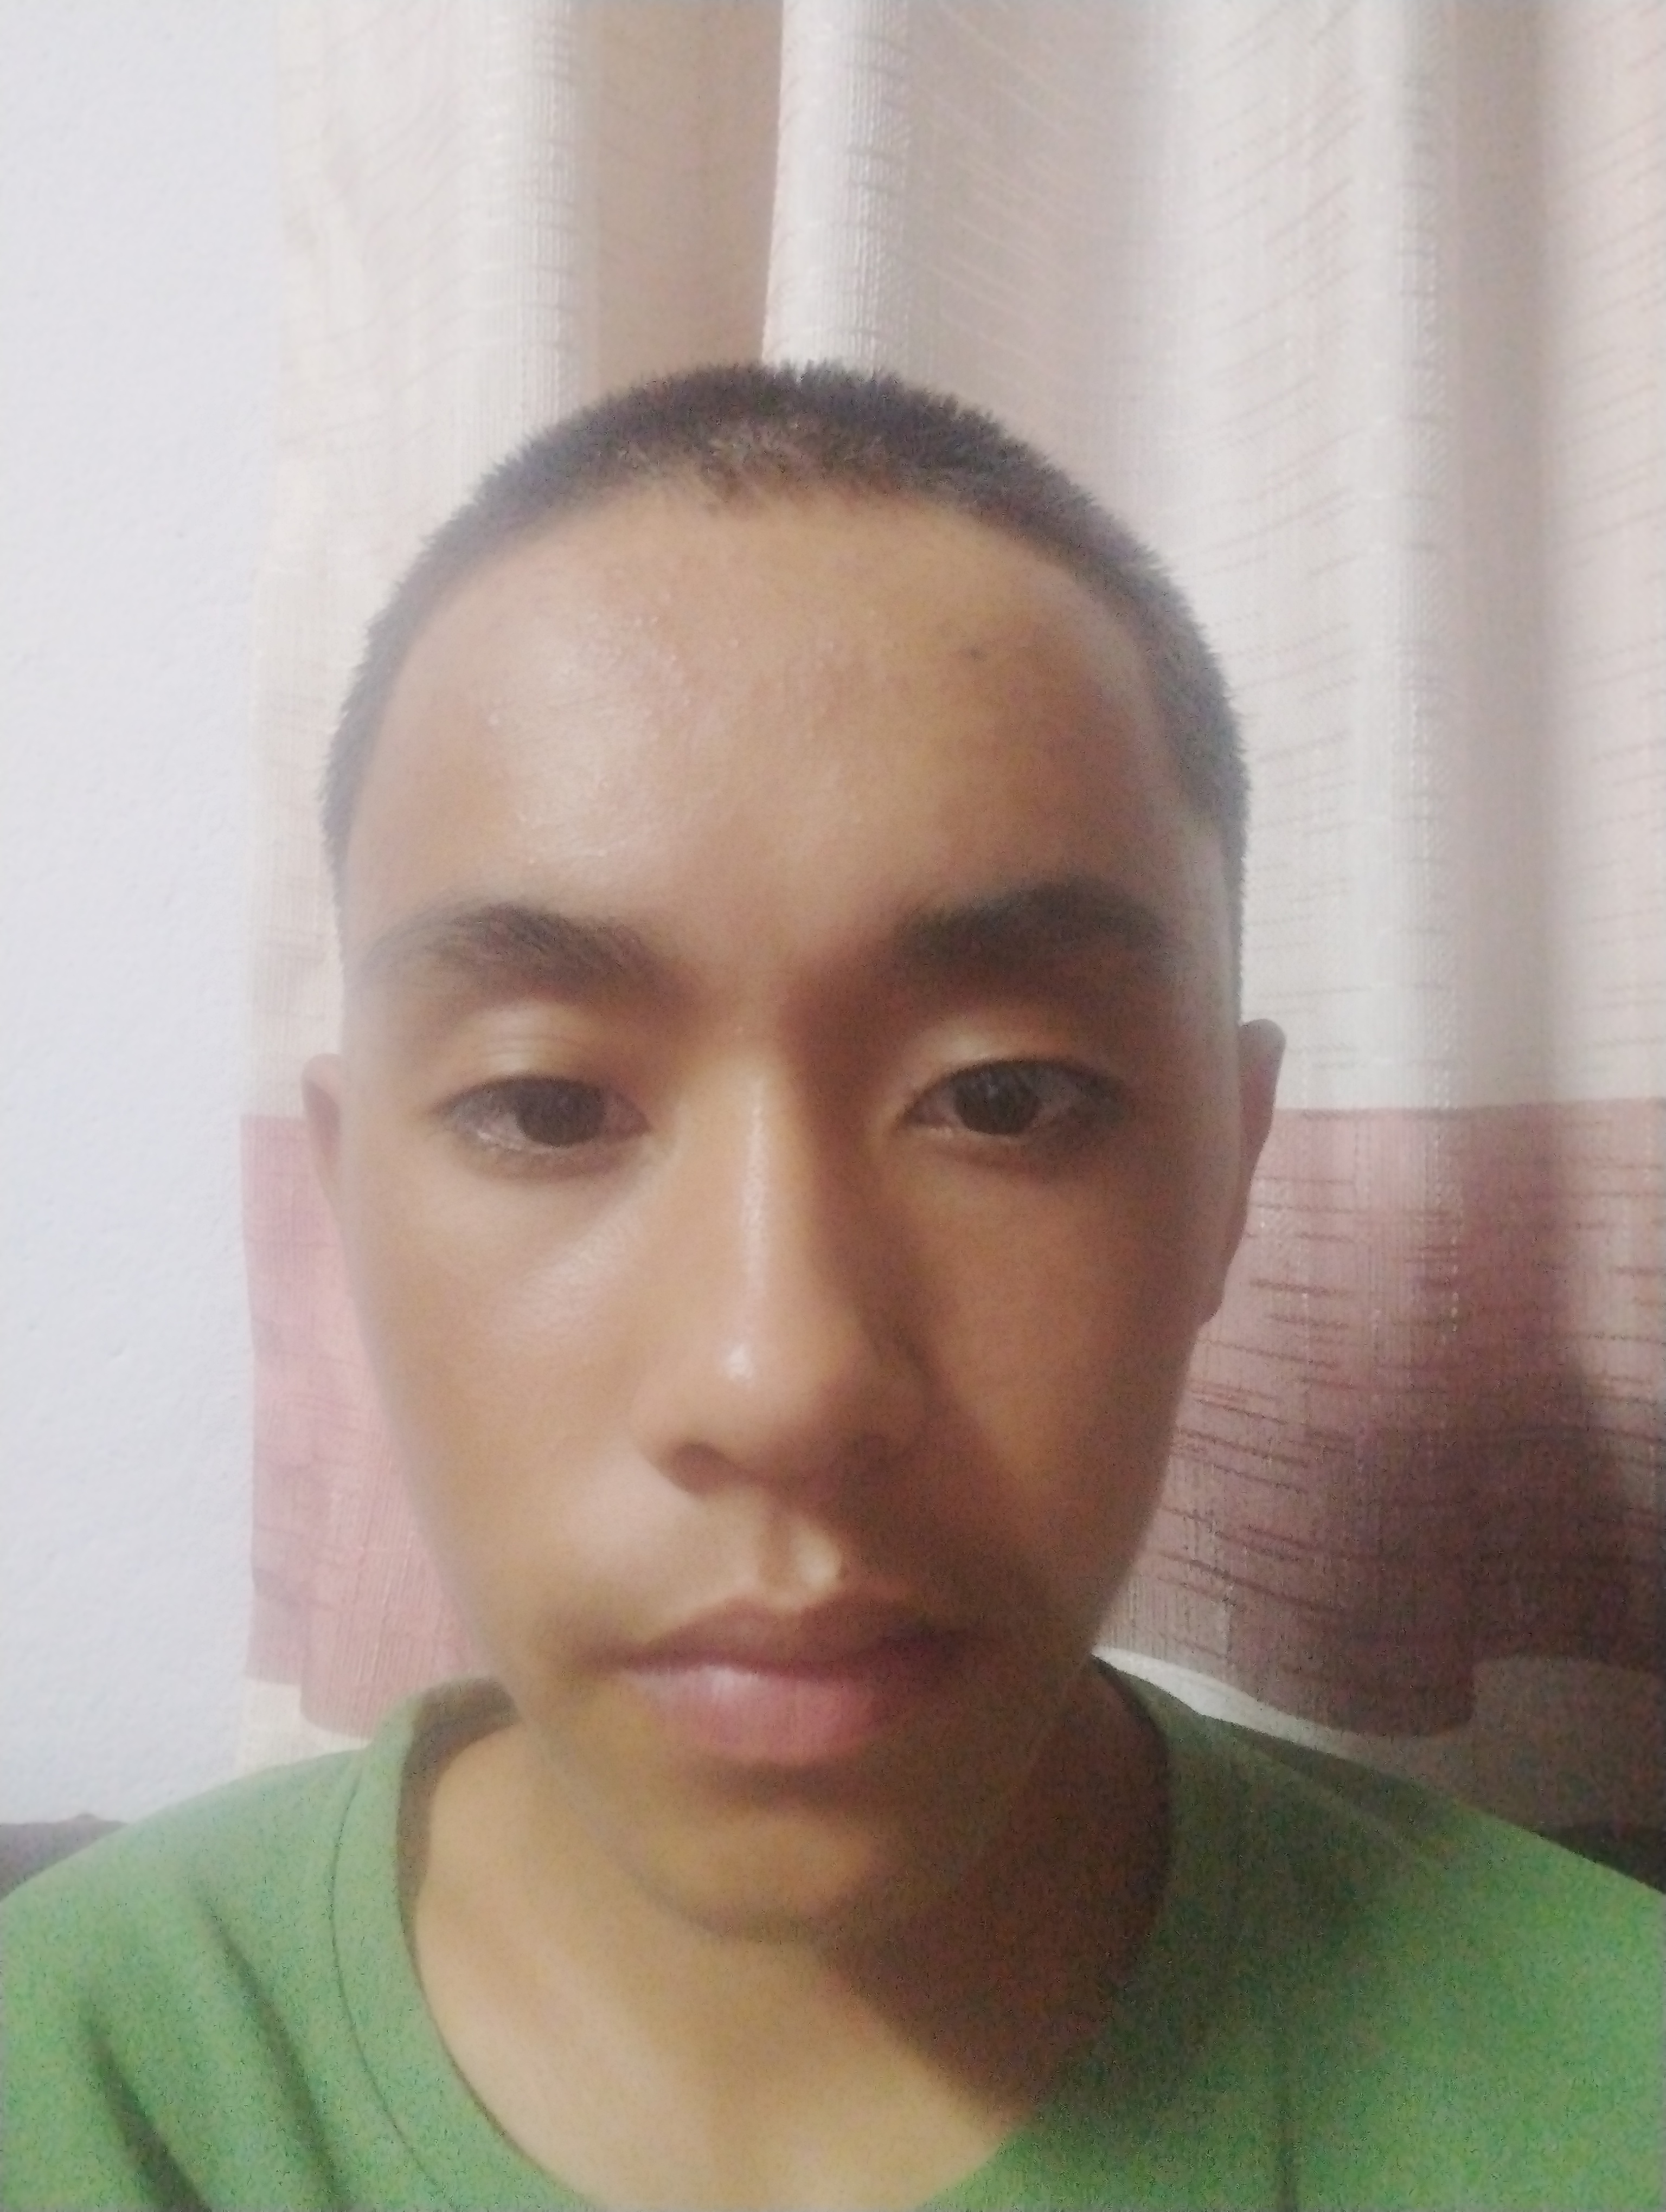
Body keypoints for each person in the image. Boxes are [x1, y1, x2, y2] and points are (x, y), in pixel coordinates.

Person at [3, 364, 1658, 2212]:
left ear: (1229, 1172)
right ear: (346, 1209)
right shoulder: (73, 2076)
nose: (779, 1378)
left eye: (1004, 1100)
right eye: (547, 1106)